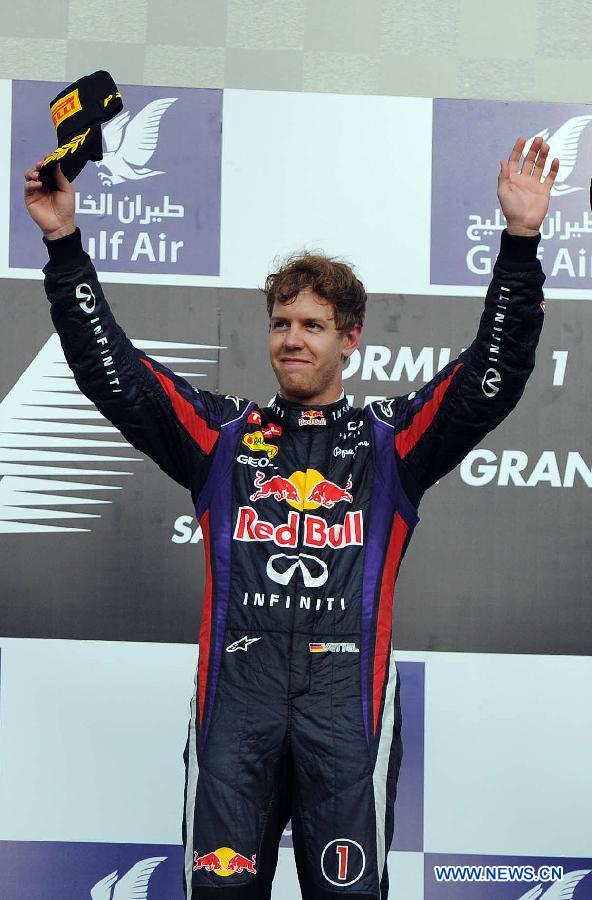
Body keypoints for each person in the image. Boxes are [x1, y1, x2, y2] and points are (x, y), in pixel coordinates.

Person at [24, 135, 558, 900]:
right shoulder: (222, 437)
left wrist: (521, 241)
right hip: (234, 708)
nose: (292, 339)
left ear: (350, 339)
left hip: (348, 713)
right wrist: (62, 243)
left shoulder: (392, 445)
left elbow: (493, 375)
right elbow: (113, 371)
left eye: (311, 325)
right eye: (281, 323)